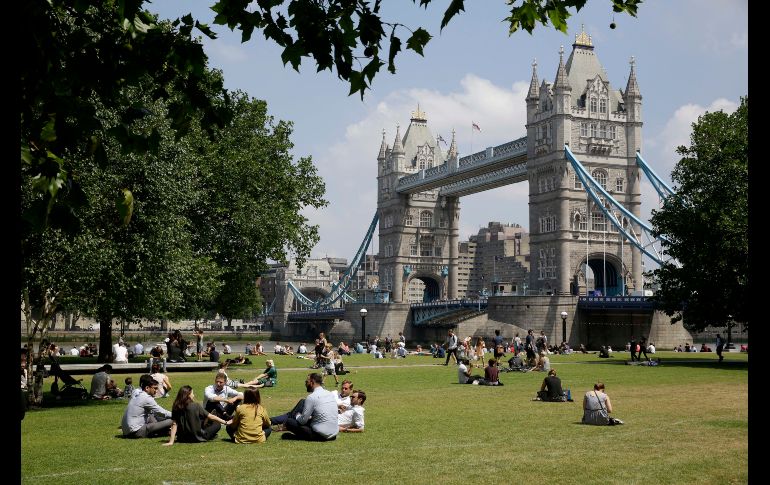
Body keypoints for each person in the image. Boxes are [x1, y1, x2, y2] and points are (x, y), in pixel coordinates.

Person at [270, 373, 338, 441]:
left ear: (312, 382)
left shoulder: (311, 397)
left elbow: (302, 421)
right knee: (302, 403)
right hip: (333, 434)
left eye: (306, 382)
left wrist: (297, 415)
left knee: (289, 421)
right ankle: (273, 422)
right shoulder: (329, 393)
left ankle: (275, 423)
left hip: (321, 435)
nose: (305, 384)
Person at [163, 385, 230, 445]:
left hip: (182, 438)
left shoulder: (176, 406)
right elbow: (211, 416)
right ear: (188, 395)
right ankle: (211, 435)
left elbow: (174, 424)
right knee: (217, 424)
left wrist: (171, 441)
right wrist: (225, 422)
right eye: (192, 393)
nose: (193, 395)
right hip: (197, 437)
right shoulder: (196, 405)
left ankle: (211, 434)